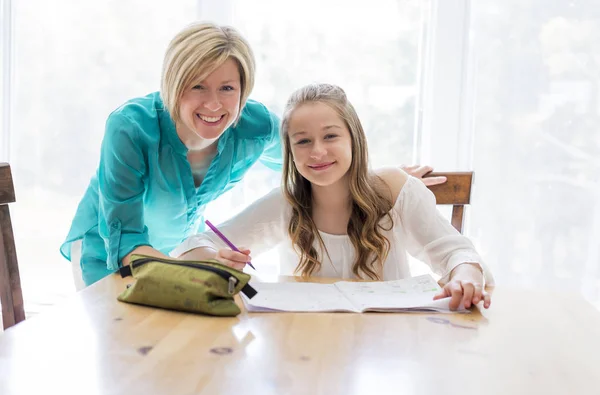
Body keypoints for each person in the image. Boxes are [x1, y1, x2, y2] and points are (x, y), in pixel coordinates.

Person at [60, 22, 444, 288]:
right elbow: (125, 242)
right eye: (197, 85)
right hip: (112, 256)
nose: (214, 104)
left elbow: (312, 156)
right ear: (173, 84)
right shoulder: (130, 129)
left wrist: (378, 179)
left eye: (227, 87)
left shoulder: (255, 125)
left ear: (244, 89)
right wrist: (187, 264)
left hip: (183, 256)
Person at [173, 83, 493, 310]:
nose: (318, 152)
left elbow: (457, 253)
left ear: (354, 138)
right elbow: (192, 246)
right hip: (309, 347)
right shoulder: (285, 202)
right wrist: (212, 258)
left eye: (330, 136)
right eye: (303, 141)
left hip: (388, 346)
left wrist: (464, 274)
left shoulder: (395, 189)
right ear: (290, 153)